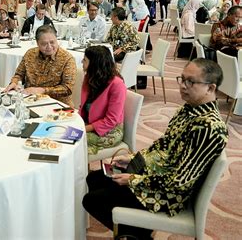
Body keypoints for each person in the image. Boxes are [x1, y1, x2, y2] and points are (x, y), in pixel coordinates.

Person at [83, 58, 228, 239]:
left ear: (211, 88)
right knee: (94, 179)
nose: (183, 86)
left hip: (167, 194)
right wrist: (133, 158)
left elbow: (180, 182)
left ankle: (138, 235)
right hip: (155, 173)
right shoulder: (189, 109)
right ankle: (138, 231)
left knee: (92, 200)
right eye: (181, 79)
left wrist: (134, 180)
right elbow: (164, 146)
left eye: (190, 82)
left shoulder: (208, 128)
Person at [4, 25, 76, 107]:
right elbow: (19, 75)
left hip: (58, 106)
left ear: (57, 40)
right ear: (37, 43)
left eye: (52, 42)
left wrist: (41, 90)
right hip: (29, 101)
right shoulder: (30, 54)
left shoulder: (67, 59)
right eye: (44, 44)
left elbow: (67, 88)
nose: (49, 47)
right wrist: (14, 82)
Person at [80, 46, 126, 154]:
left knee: (73, 140)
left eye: (85, 60)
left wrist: (83, 128)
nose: (82, 61)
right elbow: (84, 106)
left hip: (110, 131)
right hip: (89, 123)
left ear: (94, 64)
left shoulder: (117, 85)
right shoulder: (90, 78)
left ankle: (79, 170)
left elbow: (111, 120)